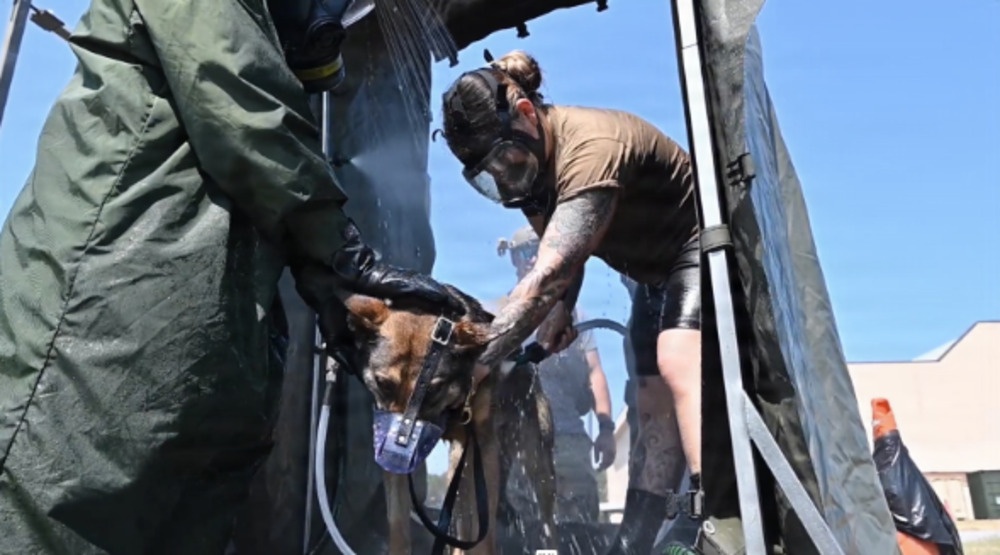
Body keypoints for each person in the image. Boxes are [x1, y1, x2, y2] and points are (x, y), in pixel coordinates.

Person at [0, 1, 461, 554]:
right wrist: (339, 258)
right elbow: (243, 106)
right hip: (99, 323)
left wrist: (326, 283)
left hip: (184, 352)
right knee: (62, 513)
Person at [440, 50, 702, 554]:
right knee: (652, 408)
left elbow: (546, 275)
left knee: (678, 362)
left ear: (525, 115)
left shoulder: (591, 150)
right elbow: (560, 262)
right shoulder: (533, 170)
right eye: (488, 170)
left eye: (504, 158)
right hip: (651, 277)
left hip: (698, 246)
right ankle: (637, 541)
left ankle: (717, 521)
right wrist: (563, 311)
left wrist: (476, 362)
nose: (504, 174)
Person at [493, 225, 616, 532]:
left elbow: (595, 371)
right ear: (514, 259)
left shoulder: (574, 313)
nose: (534, 258)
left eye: (540, 250)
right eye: (525, 252)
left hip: (569, 438)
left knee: (579, 527)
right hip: (517, 440)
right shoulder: (498, 314)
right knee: (525, 526)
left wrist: (606, 428)